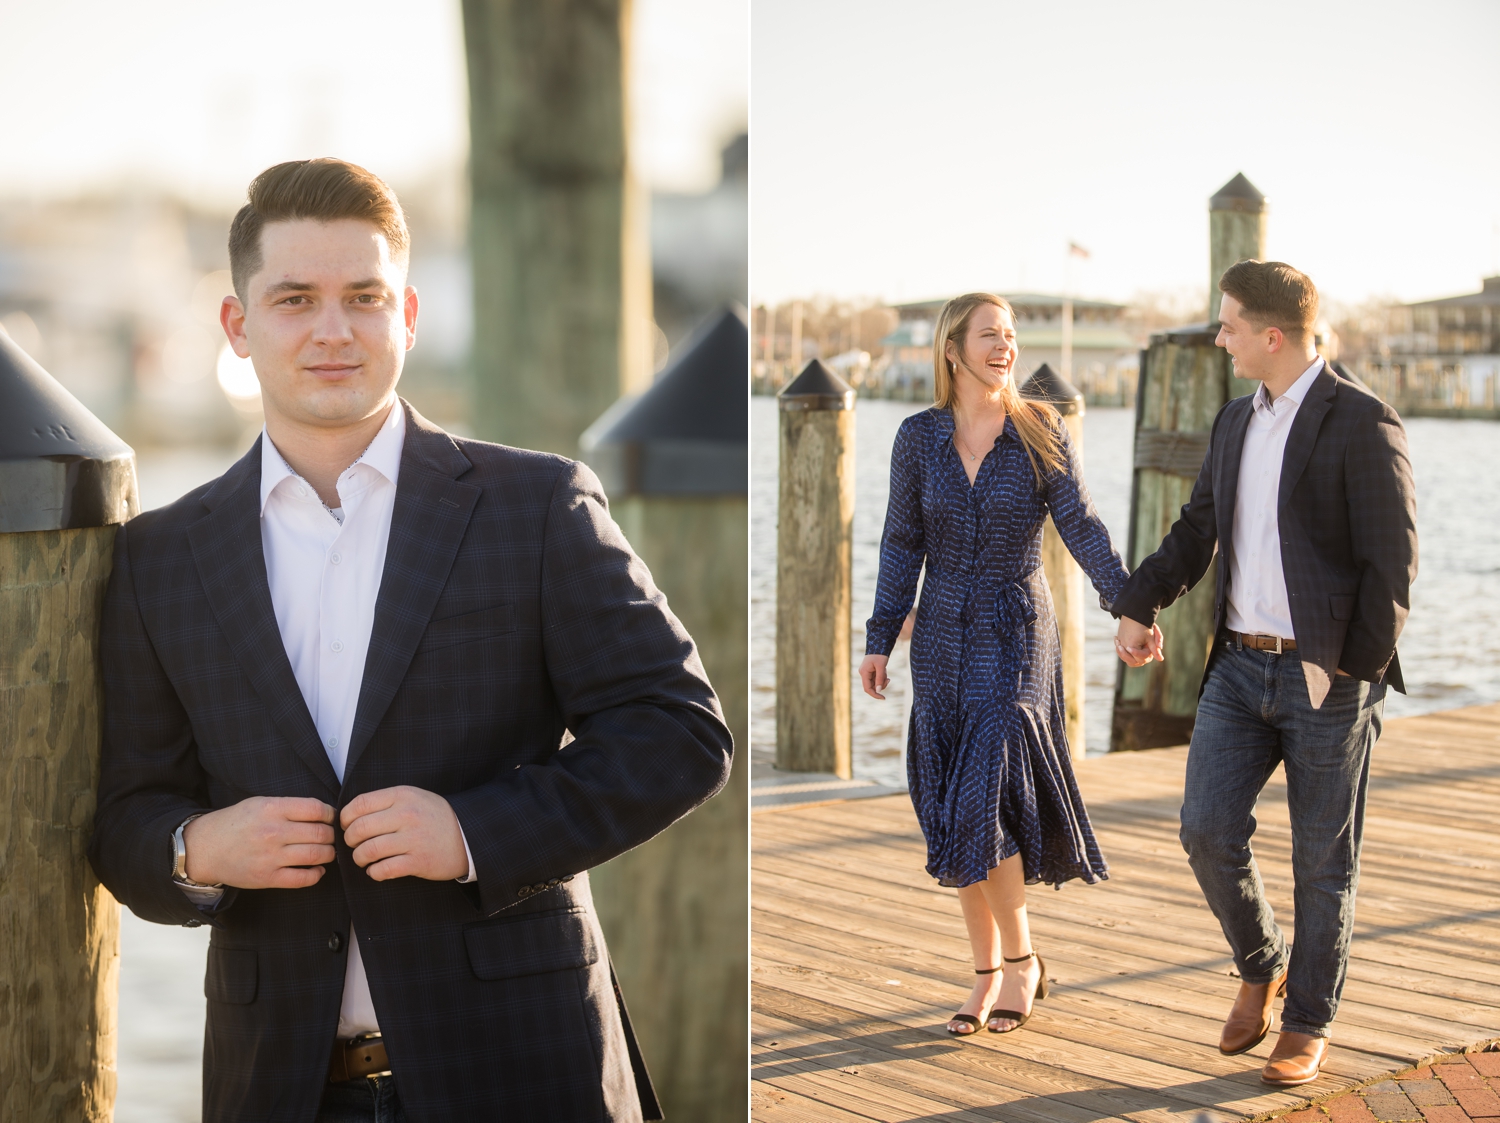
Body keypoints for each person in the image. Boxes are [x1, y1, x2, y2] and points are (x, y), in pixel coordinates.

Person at [88, 158, 732, 1123]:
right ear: (239, 325)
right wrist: (199, 846)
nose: (333, 329)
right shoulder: (159, 557)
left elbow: (681, 732)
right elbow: (124, 816)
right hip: (279, 1085)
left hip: (525, 1067)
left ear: (409, 313)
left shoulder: (534, 506)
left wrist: (476, 831)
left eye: (364, 297)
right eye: (296, 299)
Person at [1113, 260, 1416, 1086]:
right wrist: (1139, 602)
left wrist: (1350, 674)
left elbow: (1392, 570)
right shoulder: (1232, 423)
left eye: (1230, 326)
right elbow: (1196, 530)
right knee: (1205, 829)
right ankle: (1262, 961)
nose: (1220, 337)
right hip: (1239, 671)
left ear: (1271, 336)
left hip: (1328, 679)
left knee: (1324, 864)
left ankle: (1308, 1021)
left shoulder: (1363, 422)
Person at [858, 293, 1130, 1038]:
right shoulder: (917, 439)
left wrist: (1127, 601)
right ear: (953, 348)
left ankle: (1021, 962)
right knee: (951, 804)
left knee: (986, 783)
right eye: (989, 335)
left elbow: (1081, 525)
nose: (1004, 346)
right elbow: (899, 542)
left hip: (1016, 627)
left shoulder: (1043, 429)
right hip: (941, 632)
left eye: (1010, 335)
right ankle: (985, 972)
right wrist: (880, 635)